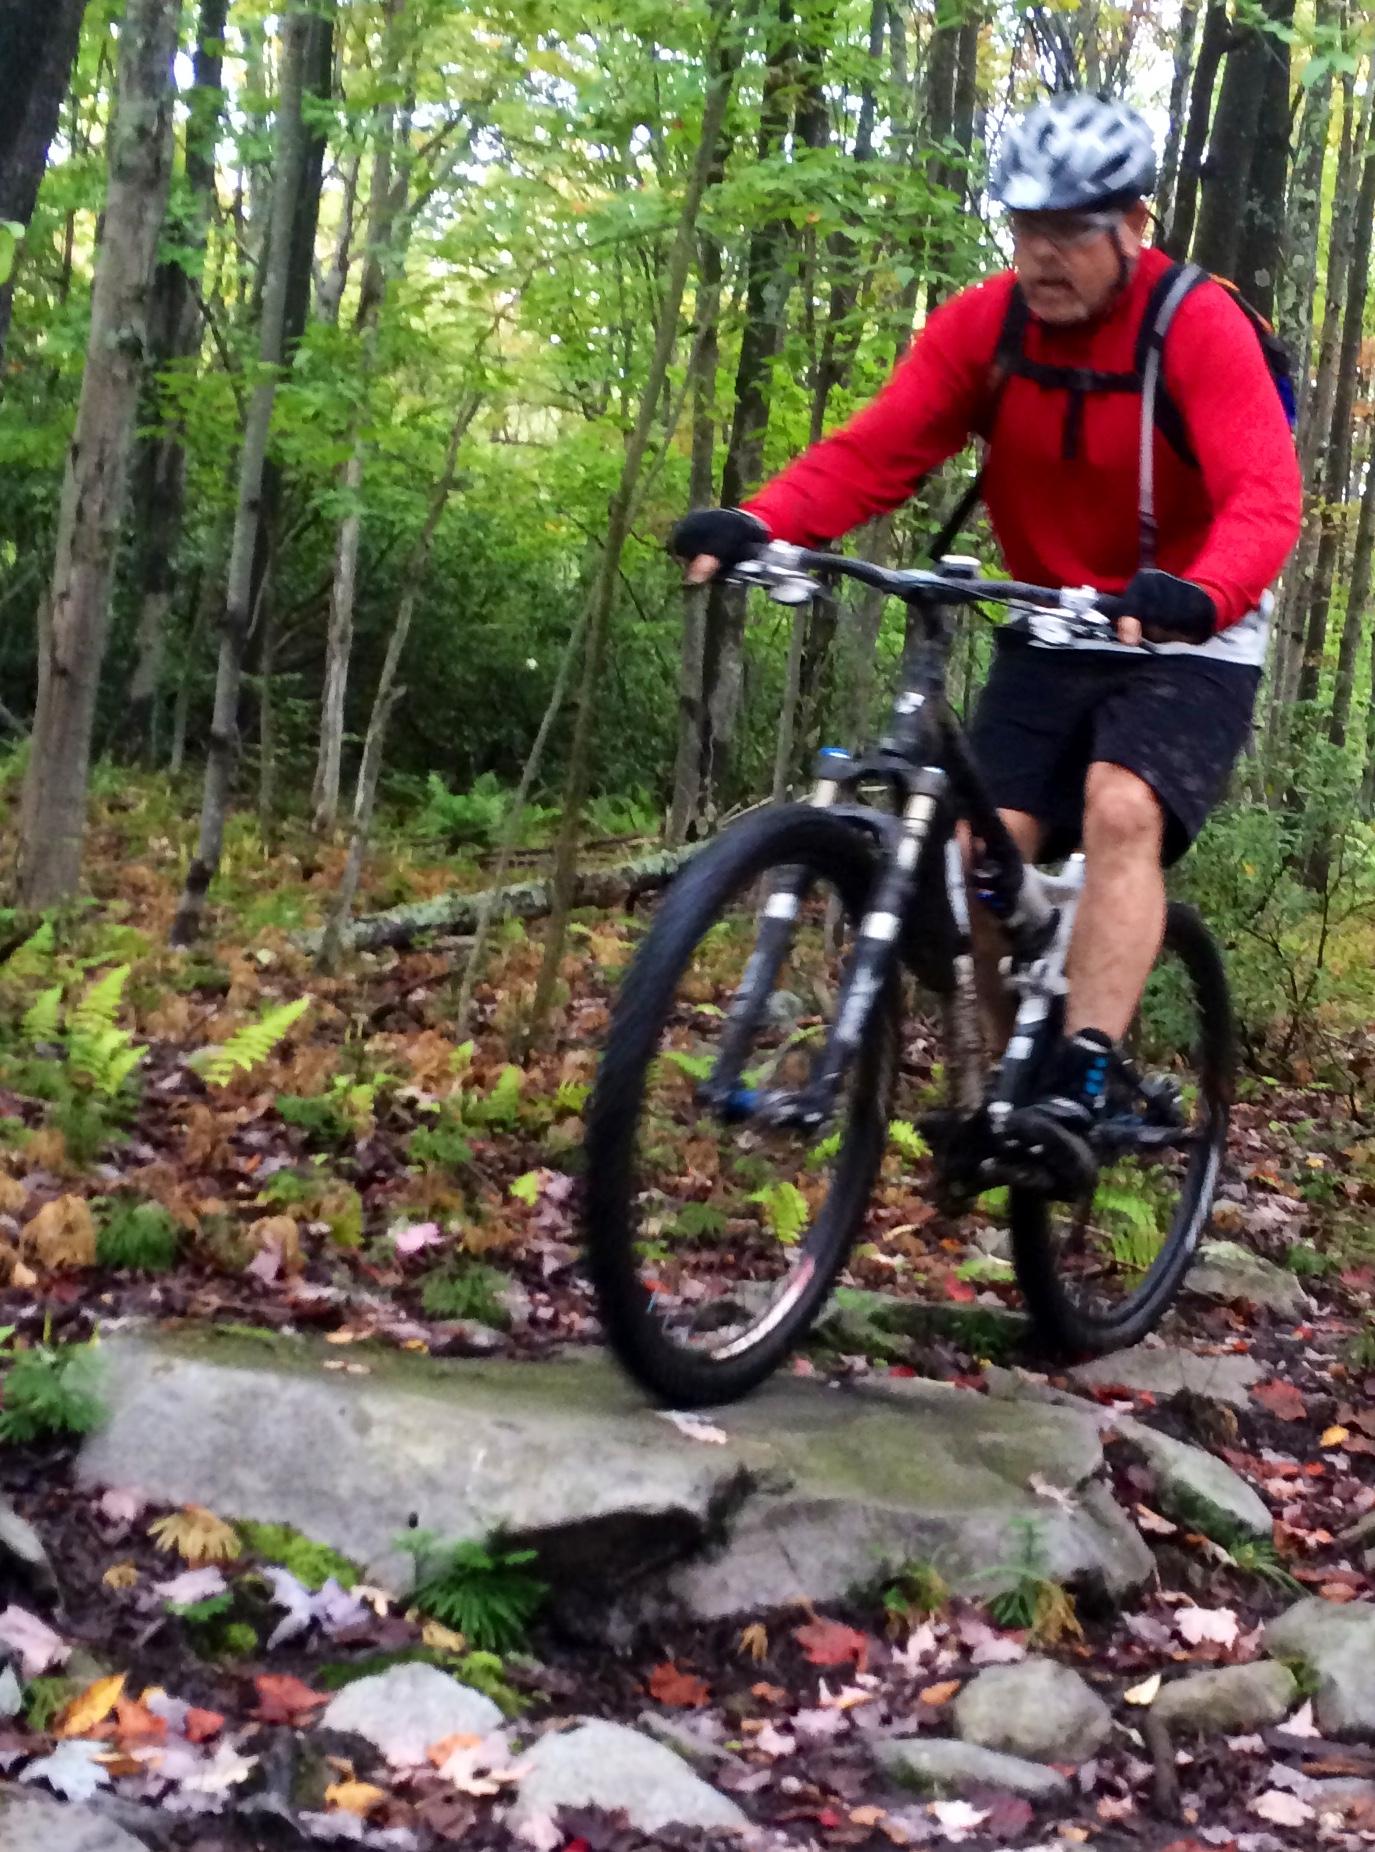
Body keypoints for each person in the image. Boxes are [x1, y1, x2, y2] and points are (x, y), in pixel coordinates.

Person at [670, 91, 1302, 1175]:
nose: (1041, 255)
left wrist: (1198, 591)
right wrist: (764, 520)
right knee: (973, 861)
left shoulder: (1194, 325)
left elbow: (1264, 496)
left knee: (1119, 805)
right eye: (1023, 228)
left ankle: (1086, 1066)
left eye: (1068, 232)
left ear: (1133, 227)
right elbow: (875, 450)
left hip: (1189, 628)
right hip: (1052, 621)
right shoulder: (984, 326)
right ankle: (1024, 1061)